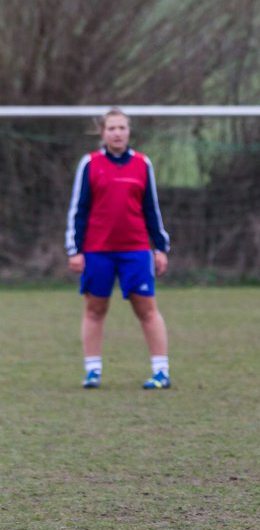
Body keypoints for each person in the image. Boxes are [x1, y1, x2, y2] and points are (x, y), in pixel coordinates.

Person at [65, 107, 173, 390]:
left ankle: (161, 371)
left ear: (129, 131)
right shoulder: (89, 164)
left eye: (122, 128)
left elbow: (151, 209)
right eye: (111, 128)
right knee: (95, 309)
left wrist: (160, 247)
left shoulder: (142, 164)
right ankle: (92, 371)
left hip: (135, 250)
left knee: (146, 309)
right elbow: (79, 209)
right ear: (102, 133)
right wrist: (74, 249)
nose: (117, 133)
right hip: (97, 250)